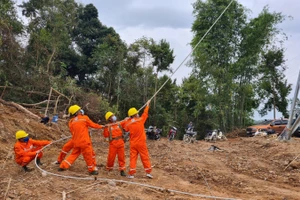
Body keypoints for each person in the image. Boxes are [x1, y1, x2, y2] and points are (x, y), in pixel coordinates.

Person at [58, 105, 104, 175]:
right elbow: (94, 125)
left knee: (74, 154)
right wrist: (101, 126)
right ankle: (92, 169)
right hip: (84, 142)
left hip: (76, 142)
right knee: (88, 155)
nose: (81, 111)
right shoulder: (84, 118)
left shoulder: (71, 122)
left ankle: (63, 165)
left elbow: (73, 132)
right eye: (79, 110)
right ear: (77, 112)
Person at [124, 100, 153, 179]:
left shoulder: (128, 123)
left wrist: (127, 120)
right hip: (141, 143)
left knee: (133, 158)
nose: (138, 113)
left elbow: (125, 129)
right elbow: (145, 114)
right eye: (137, 113)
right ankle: (148, 172)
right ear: (135, 114)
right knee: (144, 156)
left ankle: (131, 174)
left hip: (133, 143)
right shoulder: (140, 120)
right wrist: (147, 105)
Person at [103, 111, 127, 176]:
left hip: (121, 142)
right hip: (113, 143)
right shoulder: (108, 127)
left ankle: (122, 170)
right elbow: (105, 135)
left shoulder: (119, 124)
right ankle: (109, 169)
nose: (113, 116)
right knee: (111, 157)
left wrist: (127, 119)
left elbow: (126, 126)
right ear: (109, 119)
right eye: (111, 116)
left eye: (113, 115)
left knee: (121, 157)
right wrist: (105, 128)